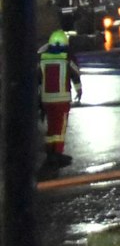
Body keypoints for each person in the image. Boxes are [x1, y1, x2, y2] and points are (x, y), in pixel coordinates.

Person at [39, 29, 81, 171]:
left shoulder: (42, 58)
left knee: (51, 127)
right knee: (60, 129)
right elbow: (75, 74)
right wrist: (79, 90)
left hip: (46, 100)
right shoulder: (67, 57)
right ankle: (57, 154)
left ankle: (50, 153)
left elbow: (37, 80)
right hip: (61, 100)